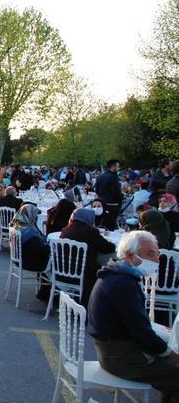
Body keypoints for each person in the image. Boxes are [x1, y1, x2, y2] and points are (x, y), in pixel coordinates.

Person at [87, 231, 179, 402]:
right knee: (175, 374)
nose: (156, 261)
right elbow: (142, 333)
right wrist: (171, 354)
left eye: (157, 255)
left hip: (112, 351)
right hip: (120, 357)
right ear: (130, 255)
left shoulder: (115, 273)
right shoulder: (122, 283)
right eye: (150, 255)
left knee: (171, 370)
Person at [59, 208, 116, 306]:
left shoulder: (66, 229)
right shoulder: (89, 231)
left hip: (64, 271)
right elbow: (109, 248)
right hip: (85, 273)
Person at [11, 204, 50, 272]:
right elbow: (40, 250)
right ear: (30, 215)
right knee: (54, 261)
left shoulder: (18, 225)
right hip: (28, 262)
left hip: (18, 259)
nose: (35, 218)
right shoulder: (30, 231)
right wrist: (50, 246)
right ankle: (49, 281)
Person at [94, 159, 123, 230]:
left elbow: (97, 190)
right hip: (112, 204)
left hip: (103, 202)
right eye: (117, 167)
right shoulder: (113, 177)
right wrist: (120, 202)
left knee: (103, 222)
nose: (118, 169)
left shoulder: (100, 176)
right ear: (113, 167)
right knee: (111, 224)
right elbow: (116, 192)